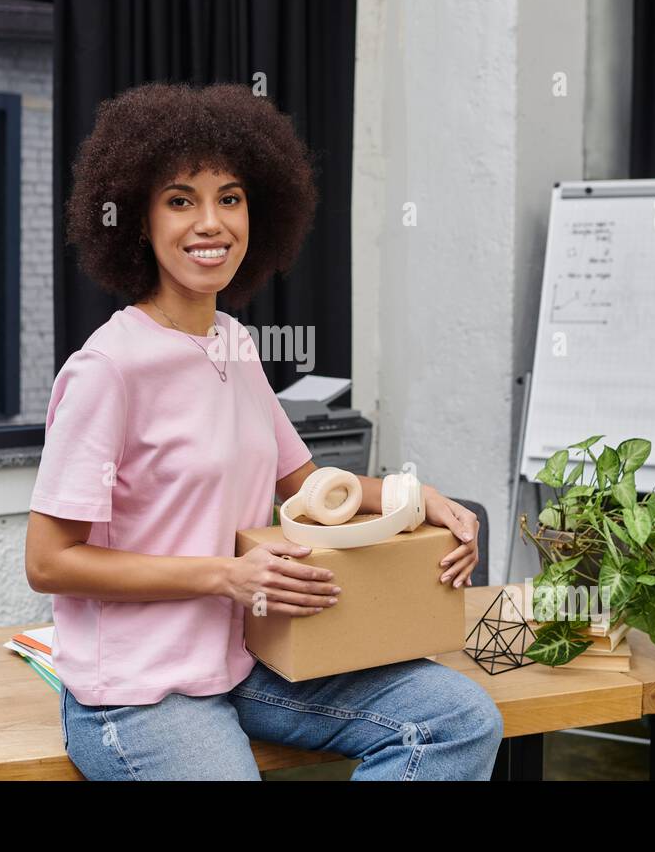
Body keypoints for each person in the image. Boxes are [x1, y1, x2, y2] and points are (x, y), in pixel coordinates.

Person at [25, 81, 503, 780]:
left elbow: (305, 485)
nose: (210, 222)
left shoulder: (233, 345)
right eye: (180, 200)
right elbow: (48, 561)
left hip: (245, 660)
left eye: (230, 197)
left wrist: (411, 496)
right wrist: (226, 574)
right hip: (138, 694)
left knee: (456, 720)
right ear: (138, 219)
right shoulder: (108, 369)